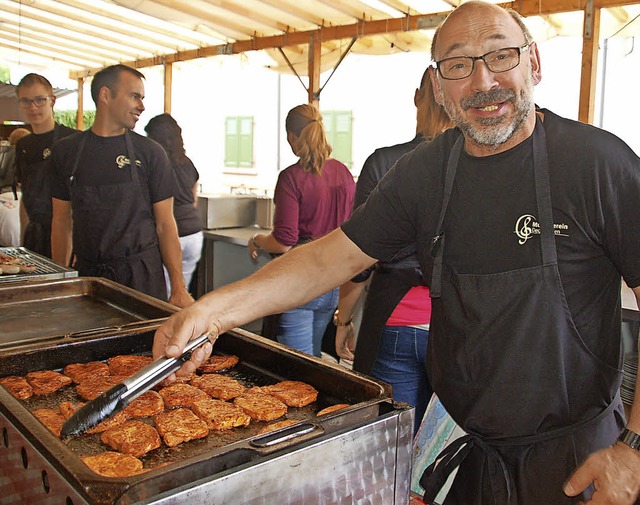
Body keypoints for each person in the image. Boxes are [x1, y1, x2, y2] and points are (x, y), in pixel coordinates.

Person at [152, 2, 640, 503]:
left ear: (533, 63)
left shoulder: (597, 164)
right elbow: (327, 259)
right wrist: (211, 312)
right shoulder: (423, 174)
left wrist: (635, 450)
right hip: (466, 450)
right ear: (437, 84)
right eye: (458, 64)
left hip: (579, 461)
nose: (482, 81)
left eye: (501, 56)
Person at [334, 67, 453, 436]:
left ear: (418, 97)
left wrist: (344, 319)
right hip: (458, 328)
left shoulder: (384, 163)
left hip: (394, 321)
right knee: (442, 456)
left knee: (389, 446)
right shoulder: (477, 165)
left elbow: (358, 259)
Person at [50, 64, 194, 308]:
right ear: (105, 95)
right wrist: (62, 280)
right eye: (134, 96)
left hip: (141, 277)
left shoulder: (151, 153)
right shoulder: (66, 152)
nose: (142, 106)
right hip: (89, 278)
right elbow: (62, 221)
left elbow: (165, 224)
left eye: (142, 98)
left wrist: (178, 287)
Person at [247, 104, 355, 357]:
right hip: (333, 280)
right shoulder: (343, 173)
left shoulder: (291, 177)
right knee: (314, 357)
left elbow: (284, 241)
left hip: (301, 278)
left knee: (295, 366)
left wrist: (258, 240)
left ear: (291, 137)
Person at [14, 74, 76, 257]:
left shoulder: (73, 140)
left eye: (40, 100)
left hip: (70, 239)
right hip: (34, 239)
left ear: (52, 100)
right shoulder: (23, 145)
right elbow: (26, 198)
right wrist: (22, 244)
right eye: (26, 101)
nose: (33, 107)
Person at [144, 113, 203, 297]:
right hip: (194, 234)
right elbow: (193, 200)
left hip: (170, 234)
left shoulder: (154, 164)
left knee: (164, 293)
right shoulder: (188, 164)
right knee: (181, 291)